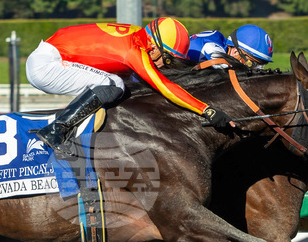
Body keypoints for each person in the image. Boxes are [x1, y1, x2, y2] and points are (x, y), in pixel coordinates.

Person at [26, 17, 234, 155]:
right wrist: (207, 110)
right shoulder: (134, 51)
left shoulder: (138, 35)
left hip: (50, 55)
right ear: (154, 48)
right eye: (168, 59)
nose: (165, 66)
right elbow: (164, 86)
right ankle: (56, 131)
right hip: (46, 66)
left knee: (116, 83)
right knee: (113, 83)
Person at [186, 24, 274, 68]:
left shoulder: (220, 43)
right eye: (252, 64)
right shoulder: (212, 47)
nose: (255, 69)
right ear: (235, 52)